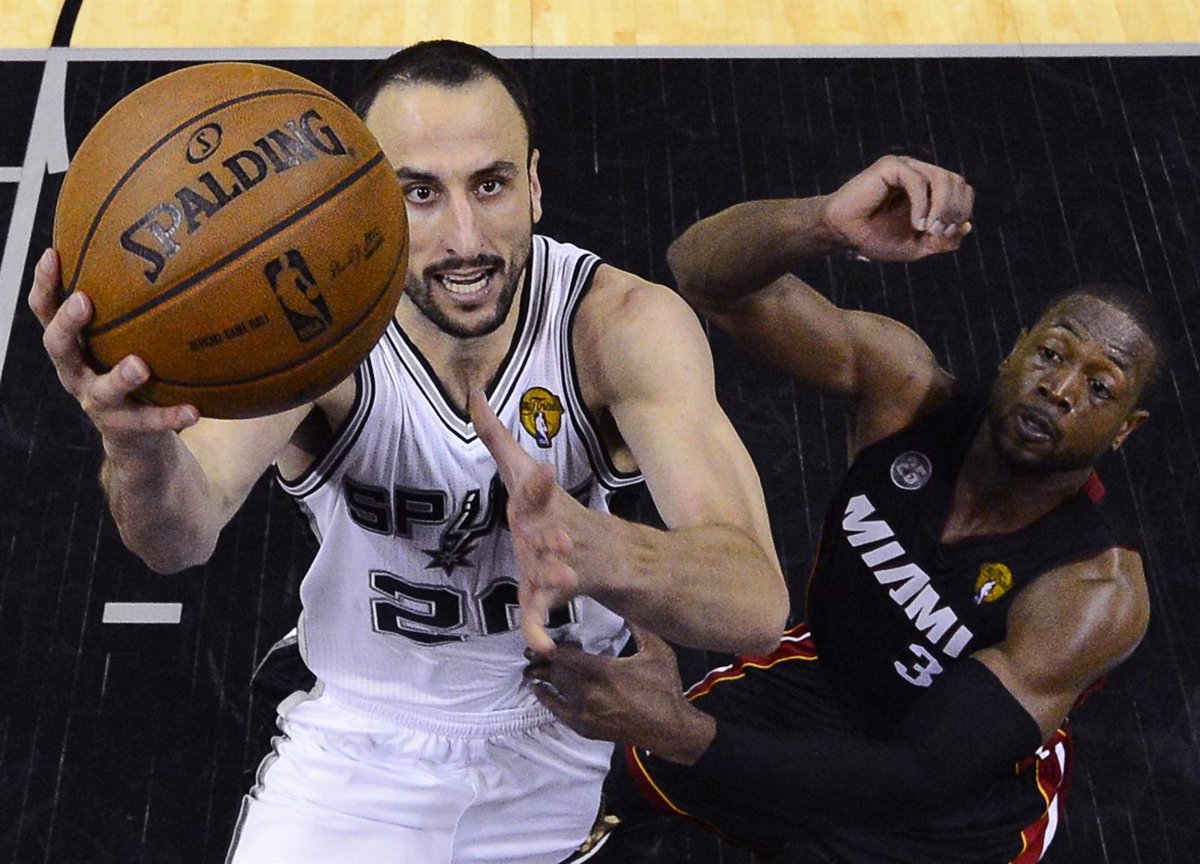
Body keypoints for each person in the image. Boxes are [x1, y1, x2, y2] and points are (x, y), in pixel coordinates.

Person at [27, 41, 788, 864]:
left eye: (490, 185)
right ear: (365, 198)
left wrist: (607, 553)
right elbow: (178, 538)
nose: (465, 239)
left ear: (535, 184)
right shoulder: (311, 330)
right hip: (360, 739)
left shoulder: (620, 327)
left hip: (573, 729)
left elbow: (754, 606)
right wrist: (134, 443)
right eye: (420, 193)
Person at [524, 155, 1166, 863]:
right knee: (614, 776)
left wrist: (679, 731)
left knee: (672, 740)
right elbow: (702, 274)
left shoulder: (1091, 592)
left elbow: (918, 775)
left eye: (1100, 388)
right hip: (826, 685)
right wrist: (824, 223)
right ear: (1016, 352)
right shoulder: (905, 392)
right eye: (1051, 354)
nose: (1060, 389)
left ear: (1126, 430)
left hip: (947, 812)